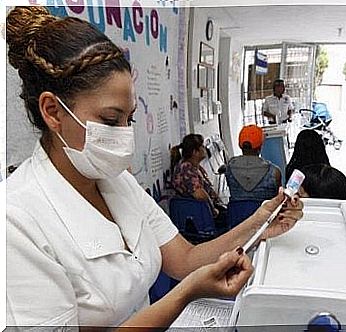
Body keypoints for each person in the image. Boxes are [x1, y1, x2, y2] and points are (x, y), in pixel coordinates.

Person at [6, 7, 303, 327]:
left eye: (129, 119)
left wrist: (259, 224)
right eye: (110, 120)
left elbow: (185, 260)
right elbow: (186, 280)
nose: (124, 135)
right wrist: (184, 294)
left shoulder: (118, 182)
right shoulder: (15, 220)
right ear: (53, 111)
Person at [170, 134, 228, 228]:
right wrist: (213, 210)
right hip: (200, 215)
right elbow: (200, 195)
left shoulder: (194, 167)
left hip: (204, 211)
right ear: (195, 152)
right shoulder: (186, 169)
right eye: (202, 146)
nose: (204, 149)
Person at [225, 124, 281, 201]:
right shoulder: (275, 172)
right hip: (267, 212)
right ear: (260, 146)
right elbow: (279, 198)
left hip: (236, 212)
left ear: (240, 146)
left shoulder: (229, 168)